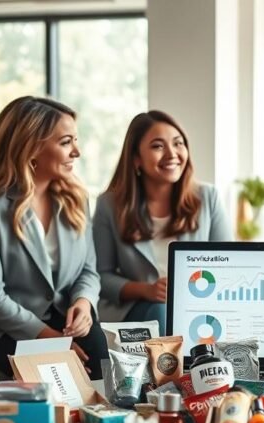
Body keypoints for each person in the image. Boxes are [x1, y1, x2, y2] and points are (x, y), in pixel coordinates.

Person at [0, 96, 109, 379]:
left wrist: (84, 302)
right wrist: (51, 340)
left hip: (62, 316)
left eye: (75, 140)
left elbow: (88, 270)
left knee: (101, 368)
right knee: (56, 379)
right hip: (3, 325)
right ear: (31, 148)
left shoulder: (77, 198)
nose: (76, 151)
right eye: (66, 142)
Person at [93, 110, 232, 333]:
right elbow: (100, 275)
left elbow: (228, 264)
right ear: (136, 158)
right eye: (158, 146)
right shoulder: (109, 205)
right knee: (160, 310)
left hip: (198, 305)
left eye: (178, 143)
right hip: (138, 309)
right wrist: (145, 289)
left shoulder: (208, 197)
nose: (172, 154)